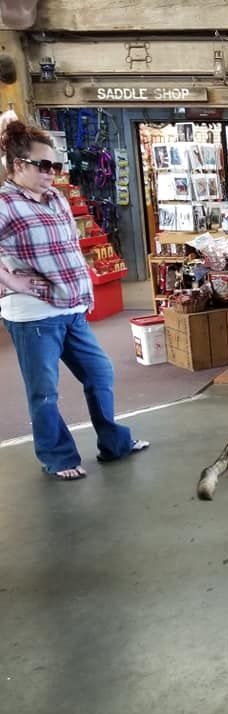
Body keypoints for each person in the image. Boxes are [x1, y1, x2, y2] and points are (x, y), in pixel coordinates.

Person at [0, 120, 148, 479]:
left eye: (56, 166)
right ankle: (58, 458)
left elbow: (69, 252)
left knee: (99, 373)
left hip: (71, 309)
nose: (53, 173)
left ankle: (114, 444)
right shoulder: (6, 204)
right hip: (33, 316)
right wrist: (10, 280)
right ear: (19, 164)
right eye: (44, 166)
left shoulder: (57, 199)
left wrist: (82, 297)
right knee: (44, 392)